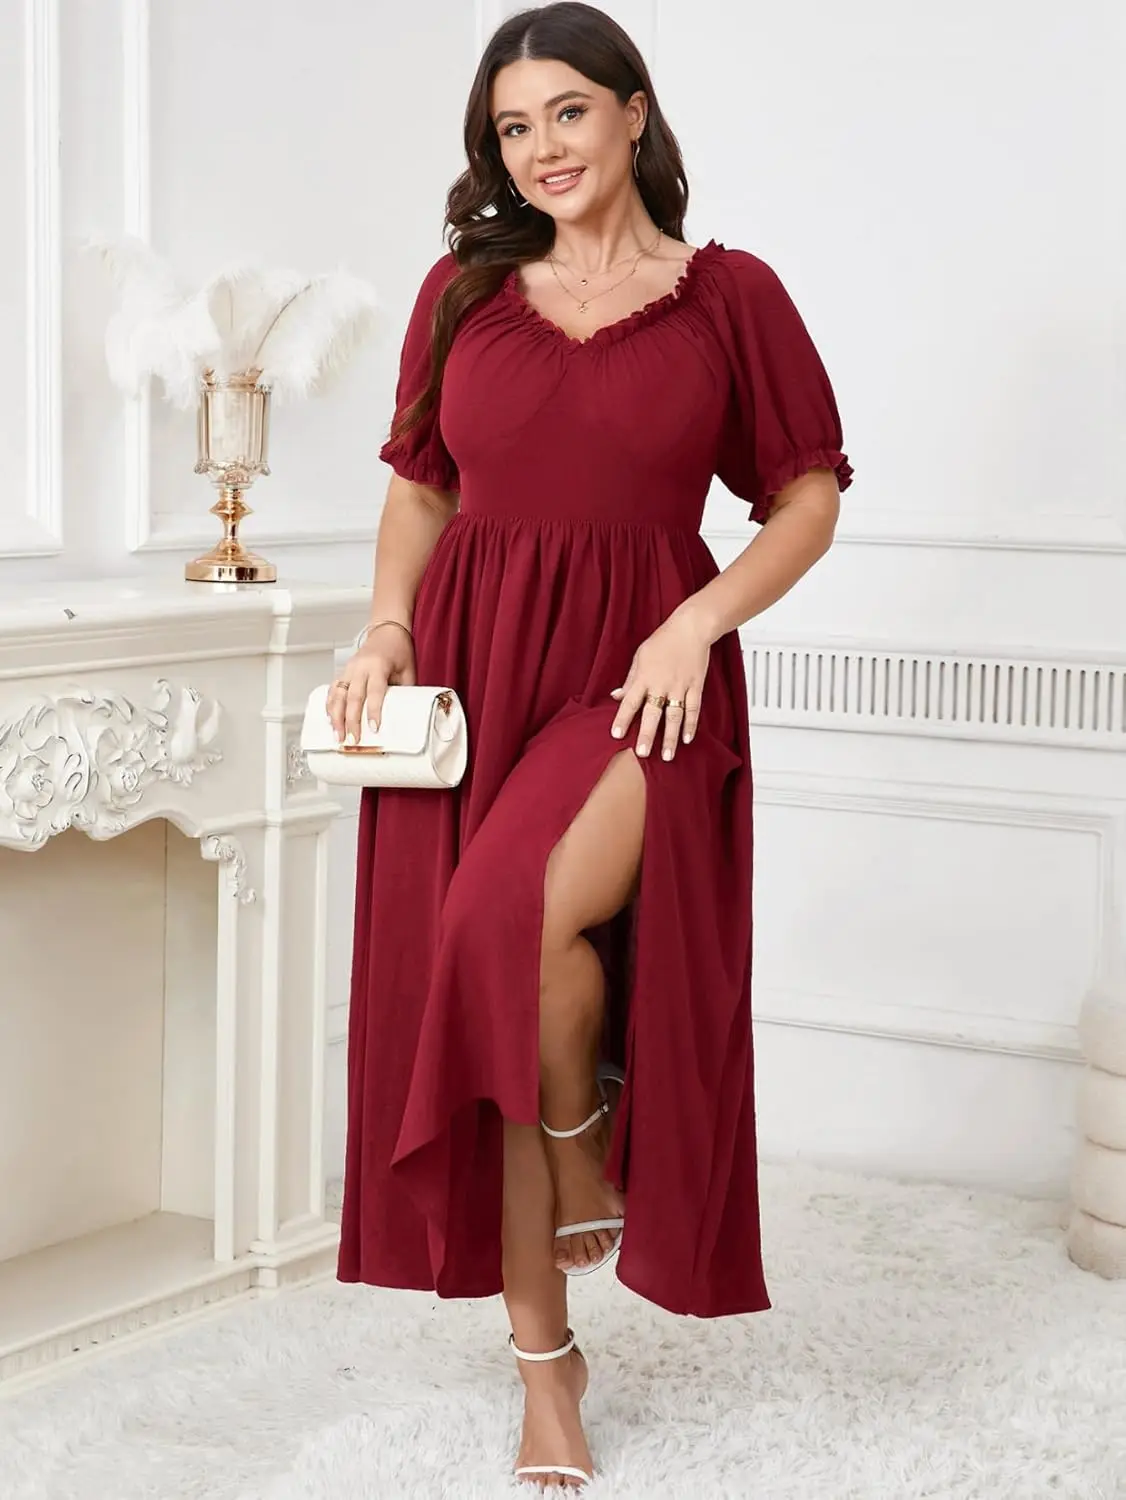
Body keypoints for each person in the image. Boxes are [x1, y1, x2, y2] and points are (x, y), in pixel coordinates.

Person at [331, 1, 852, 1488]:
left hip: (646, 681)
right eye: (513, 127)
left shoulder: (729, 295)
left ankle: (581, 1139)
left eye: (567, 110)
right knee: (501, 972)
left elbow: (808, 495)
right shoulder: (462, 295)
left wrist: (699, 623)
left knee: (511, 916)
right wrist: (386, 627)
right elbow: (421, 486)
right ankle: (543, 1361)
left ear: (633, 111)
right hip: (479, 664)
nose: (542, 147)